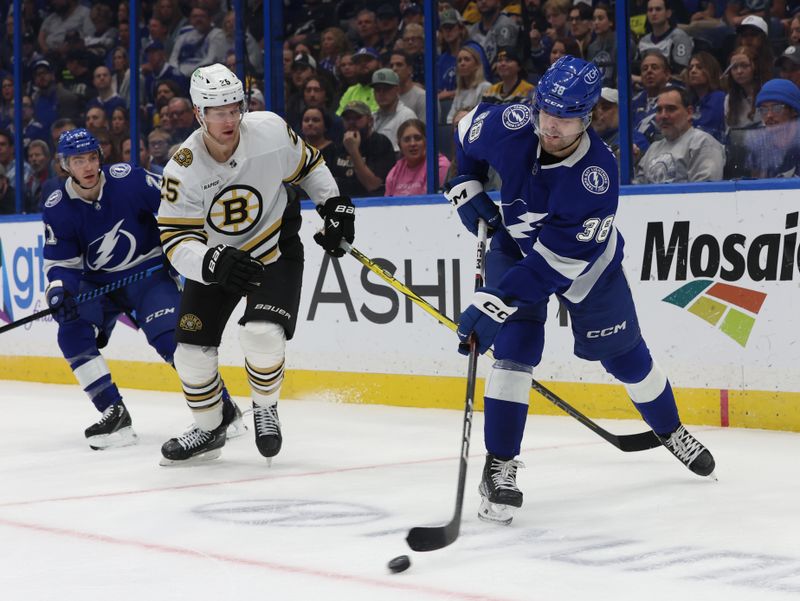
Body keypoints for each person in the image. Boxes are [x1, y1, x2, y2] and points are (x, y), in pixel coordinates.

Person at [447, 56, 716, 524]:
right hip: (514, 245)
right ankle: (500, 466)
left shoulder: (597, 175)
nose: (550, 125)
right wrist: (464, 184)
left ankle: (671, 430)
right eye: (545, 110)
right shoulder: (514, 122)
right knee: (516, 347)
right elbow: (464, 130)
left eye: (565, 116)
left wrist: (495, 301)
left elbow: (552, 267)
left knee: (626, 357)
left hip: (585, 266)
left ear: (588, 117)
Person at [156, 64, 355, 465]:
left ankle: (265, 407)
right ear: (199, 114)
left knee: (262, 334)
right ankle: (211, 426)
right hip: (217, 261)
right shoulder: (182, 168)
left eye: (234, 108)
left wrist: (333, 206)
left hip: (273, 249)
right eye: (217, 111)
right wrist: (210, 262)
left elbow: (311, 166)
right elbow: (175, 241)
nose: (229, 119)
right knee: (190, 354)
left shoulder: (269, 131)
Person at [41, 128, 243, 450]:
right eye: (79, 161)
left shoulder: (129, 180)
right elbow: (62, 264)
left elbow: (177, 207)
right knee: (71, 331)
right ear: (65, 165)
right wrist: (59, 293)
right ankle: (113, 411)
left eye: (92, 158)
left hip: (148, 275)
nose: (88, 166)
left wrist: (179, 247)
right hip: (98, 285)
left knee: (172, 339)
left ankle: (222, 408)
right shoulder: (57, 206)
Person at [635, 87, 725, 183]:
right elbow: (636, 189)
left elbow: (705, 191)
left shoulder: (702, 142)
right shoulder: (653, 148)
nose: (663, 116)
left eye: (671, 109)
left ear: (689, 112)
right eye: (659, 110)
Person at [744, 78, 800, 177]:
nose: (769, 115)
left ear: (794, 111)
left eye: (777, 108)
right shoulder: (760, 147)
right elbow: (755, 188)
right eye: (764, 110)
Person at [385, 118, 450, 196]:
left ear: (427, 141)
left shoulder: (439, 165)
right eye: (407, 140)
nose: (412, 144)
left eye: (417, 138)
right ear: (400, 145)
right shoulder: (395, 171)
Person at [637, 0, 693, 72]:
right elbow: (637, 68)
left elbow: (681, 71)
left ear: (668, 13)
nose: (653, 13)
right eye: (650, 10)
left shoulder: (680, 37)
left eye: (658, 9)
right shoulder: (643, 41)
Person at [371, 68, 417, 152]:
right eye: (377, 89)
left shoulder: (407, 116)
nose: (381, 93)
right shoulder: (372, 116)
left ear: (397, 89)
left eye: (386, 89)